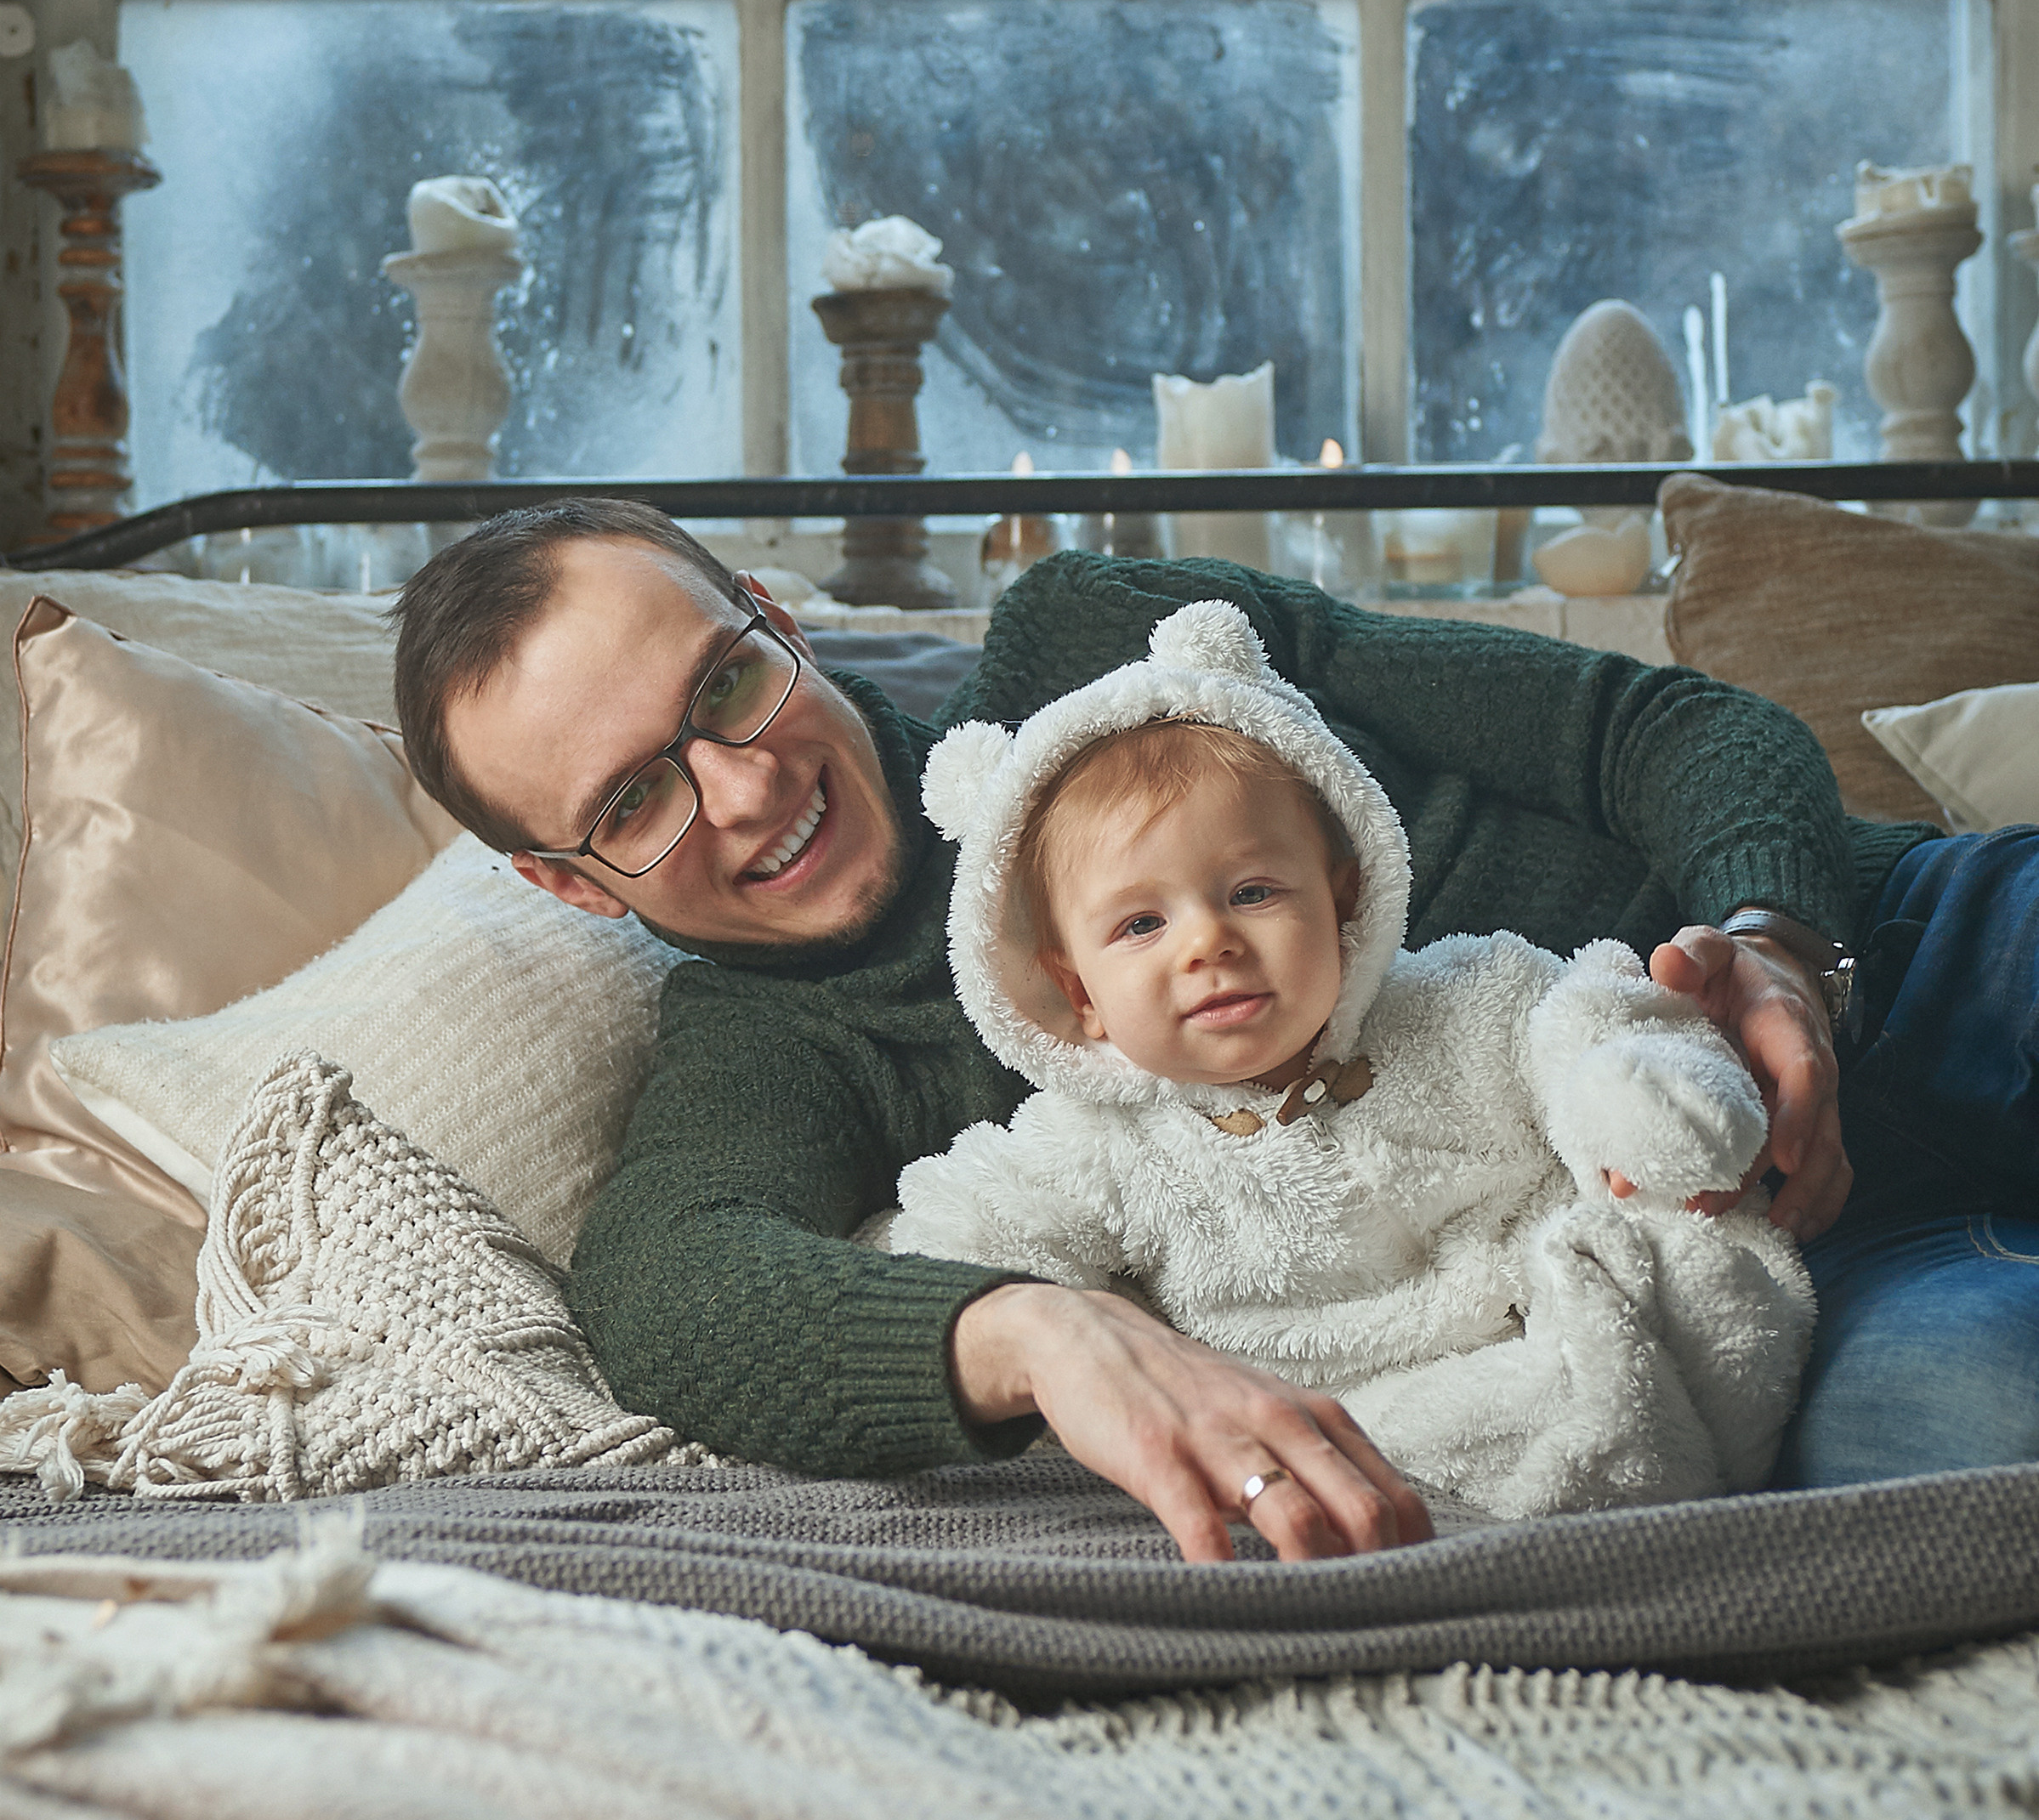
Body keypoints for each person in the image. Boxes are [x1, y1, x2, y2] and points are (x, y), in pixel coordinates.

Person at [390, 496, 2039, 1563]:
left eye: (724, 688)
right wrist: (1038, 1332)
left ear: (775, 617)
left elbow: (1653, 725)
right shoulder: (765, 1047)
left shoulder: (1102, 640)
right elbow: (662, 1284)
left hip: (1899, 946)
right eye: (634, 797)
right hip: (1784, 1274)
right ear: (571, 879)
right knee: (1981, 1434)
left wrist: (1770, 938)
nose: (746, 789)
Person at [888, 599, 1812, 1517]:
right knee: (1375, 1445)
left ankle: (1647, 1422)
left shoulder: (1463, 996)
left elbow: (1585, 1021)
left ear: (1340, 900)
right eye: (1141, 923)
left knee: (1693, 1256)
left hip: (1572, 1287)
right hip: (1368, 1413)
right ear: (1079, 993)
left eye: (1252, 891)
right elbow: (956, 1250)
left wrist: (1639, 1094)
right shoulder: (1094, 1147)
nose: (1206, 943)